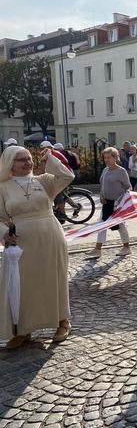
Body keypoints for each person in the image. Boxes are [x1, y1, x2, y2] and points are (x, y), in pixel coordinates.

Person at [0, 146, 74, 349]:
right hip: (21, 242)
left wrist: (50, 158)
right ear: (10, 164)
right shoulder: (3, 187)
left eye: (29, 158)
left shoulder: (43, 181)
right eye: (21, 160)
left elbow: (67, 176)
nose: (27, 162)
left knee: (54, 277)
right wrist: (4, 233)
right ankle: (23, 329)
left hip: (51, 236)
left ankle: (62, 321)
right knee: (24, 285)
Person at [85, 147, 132, 259]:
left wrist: (120, 201)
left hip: (117, 205)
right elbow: (102, 185)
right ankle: (97, 249)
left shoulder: (121, 171)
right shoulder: (105, 170)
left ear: (115, 158)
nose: (106, 160)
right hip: (106, 203)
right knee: (102, 225)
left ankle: (126, 247)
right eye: (105, 157)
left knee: (120, 226)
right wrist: (101, 195)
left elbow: (128, 187)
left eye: (109, 157)